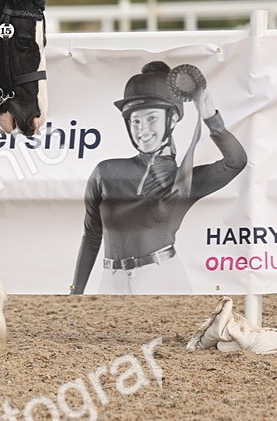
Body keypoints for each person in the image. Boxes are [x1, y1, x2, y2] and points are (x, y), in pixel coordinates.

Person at [70, 61, 247, 294]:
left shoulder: (184, 181)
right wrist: (75, 292)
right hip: (111, 281)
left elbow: (236, 161)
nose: (142, 130)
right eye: (135, 121)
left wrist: (210, 118)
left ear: (172, 120)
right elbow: (92, 235)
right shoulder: (105, 171)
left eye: (151, 118)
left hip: (163, 277)